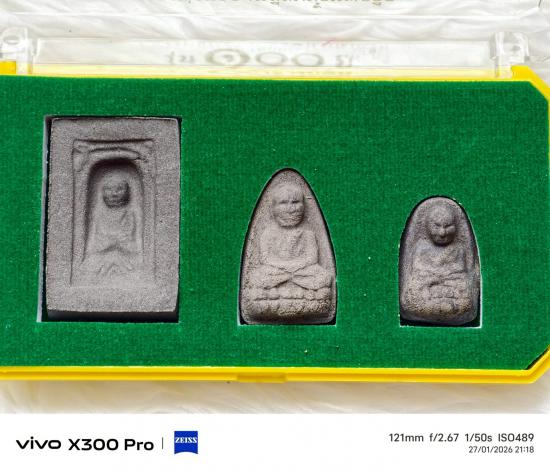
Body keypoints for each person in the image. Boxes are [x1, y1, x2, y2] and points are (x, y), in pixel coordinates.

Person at [250, 183, 332, 300]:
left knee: (324, 276)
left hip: (302, 271)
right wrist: (287, 268)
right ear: (272, 208)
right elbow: (265, 259)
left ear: (303, 206)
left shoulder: (308, 233)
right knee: (256, 276)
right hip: (278, 272)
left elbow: (312, 259)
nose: (291, 209)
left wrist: (294, 268)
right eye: (283, 203)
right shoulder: (268, 233)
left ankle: (286, 287)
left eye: (295, 202)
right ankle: (293, 286)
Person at [402, 203, 473, 319]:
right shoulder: (421, 248)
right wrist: (432, 278)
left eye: (448, 226)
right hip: (427, 285)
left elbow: (461, 273)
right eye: (436, 226)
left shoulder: (459, 249)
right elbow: (417, 273)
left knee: (464, 290)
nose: (442, 232)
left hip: (451, 285)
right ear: (427, 226)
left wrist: (446, 278)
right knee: (413, 291)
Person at [82, 173, 142, 280]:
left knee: (132, 266)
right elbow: (95, 246)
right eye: (109, 189)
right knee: (91, 266)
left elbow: (132, 244)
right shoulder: (99, 214)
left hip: (124, 255)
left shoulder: (130, 214)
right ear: (103, 192)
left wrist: (117, 242)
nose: (114, 194)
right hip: (102, 255)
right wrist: (112, 242)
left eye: (120, 189)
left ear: (127, 192)